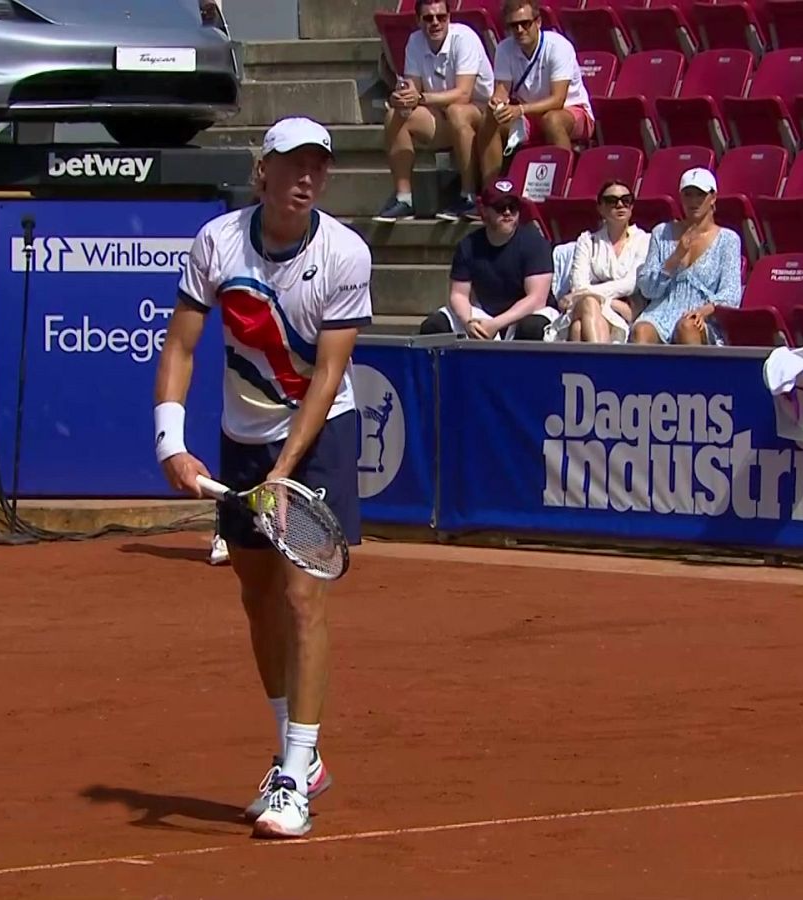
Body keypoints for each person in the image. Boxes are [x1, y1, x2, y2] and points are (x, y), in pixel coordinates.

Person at [152, 116, 371, 840]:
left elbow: (328, 376)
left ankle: (295, 774)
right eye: (292, 164)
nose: (306, 178)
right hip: (243, 435)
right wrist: (171, 443)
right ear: (262, 172)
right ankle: (296, 755)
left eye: (318, 166)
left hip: (319, 435)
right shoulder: (217, 242)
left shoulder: (346, 254)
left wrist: (282, 473)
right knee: (256, 595)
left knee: (303, 596)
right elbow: (181, 346)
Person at [375, 0, 494, 222]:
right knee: (395, 115)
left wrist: (421, 98)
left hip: (482, 116)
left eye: (441, 17)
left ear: (450, 17)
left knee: (458, 111)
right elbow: (413, 89)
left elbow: (464, 94)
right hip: (442, 114)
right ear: (419, 20)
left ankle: (468, 196)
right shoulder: (415, 41)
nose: (435, 23)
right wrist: (400, 97)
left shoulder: (464, 38)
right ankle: (404, 199)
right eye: (429, 18)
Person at [474, 0, 594, 187]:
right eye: (513, 25)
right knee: (490, 118)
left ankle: (564, 184)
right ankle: (492, 188)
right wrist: (497, 103)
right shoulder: (504, 49)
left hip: (571, 110)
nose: (519, 30)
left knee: (552, 120)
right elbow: (502, 90)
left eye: (525, 23)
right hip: (529, 115)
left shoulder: (558, 47)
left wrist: (520, 110)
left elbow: (558, 99)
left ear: (538, 22)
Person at [418, 178, 555, 339]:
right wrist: (468, 321)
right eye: (500, 207)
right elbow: (459, 294)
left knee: (531, 327)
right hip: (486, 314)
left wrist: (496, 324)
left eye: (513, 207)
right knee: (434, 325)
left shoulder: (535, 243)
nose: (507, 212)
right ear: (484, 211)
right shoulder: (469, 245)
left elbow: (536, 299)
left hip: (525, 315)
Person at [631, 167, 743, 345]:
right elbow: (648, 289)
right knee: (641, 330)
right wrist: (676, 257)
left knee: (687, 326)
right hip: (661, 311)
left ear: (713, 197)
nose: (694, 201)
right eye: (688, 195)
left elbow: (731, 294)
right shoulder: (661, 232)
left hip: (703, 315)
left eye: (700, 195)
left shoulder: (728, 239)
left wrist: (704, 311)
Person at [547, 179, 650, 343]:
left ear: (632, 206)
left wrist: (583, 294)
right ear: (600, 208)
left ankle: (591, 358)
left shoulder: (644, 240)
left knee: (578, 328)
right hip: (611, 306)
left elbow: (630, 284)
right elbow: (578, 285)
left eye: (626, 200)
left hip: (622, 312)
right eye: (611, 201)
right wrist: (609, 301)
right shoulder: (587, 240)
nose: (620, 205)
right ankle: (602, 358)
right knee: (589, 303)